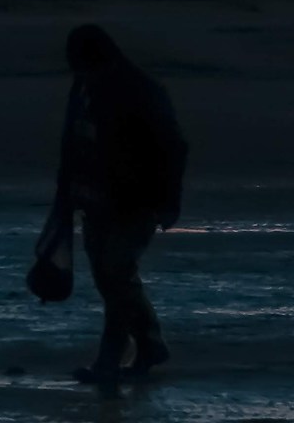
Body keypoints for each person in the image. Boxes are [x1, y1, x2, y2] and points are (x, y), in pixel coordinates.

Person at [30, 23, 188, 384]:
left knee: (116, 276)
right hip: (95, 199)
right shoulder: (86, 86)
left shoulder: (140, 91)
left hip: (136, 201)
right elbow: (75, 141)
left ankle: (110, 359)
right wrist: (67, 193)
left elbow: (174, 147)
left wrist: (168, 202)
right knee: (112, 278)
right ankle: (148, 344)